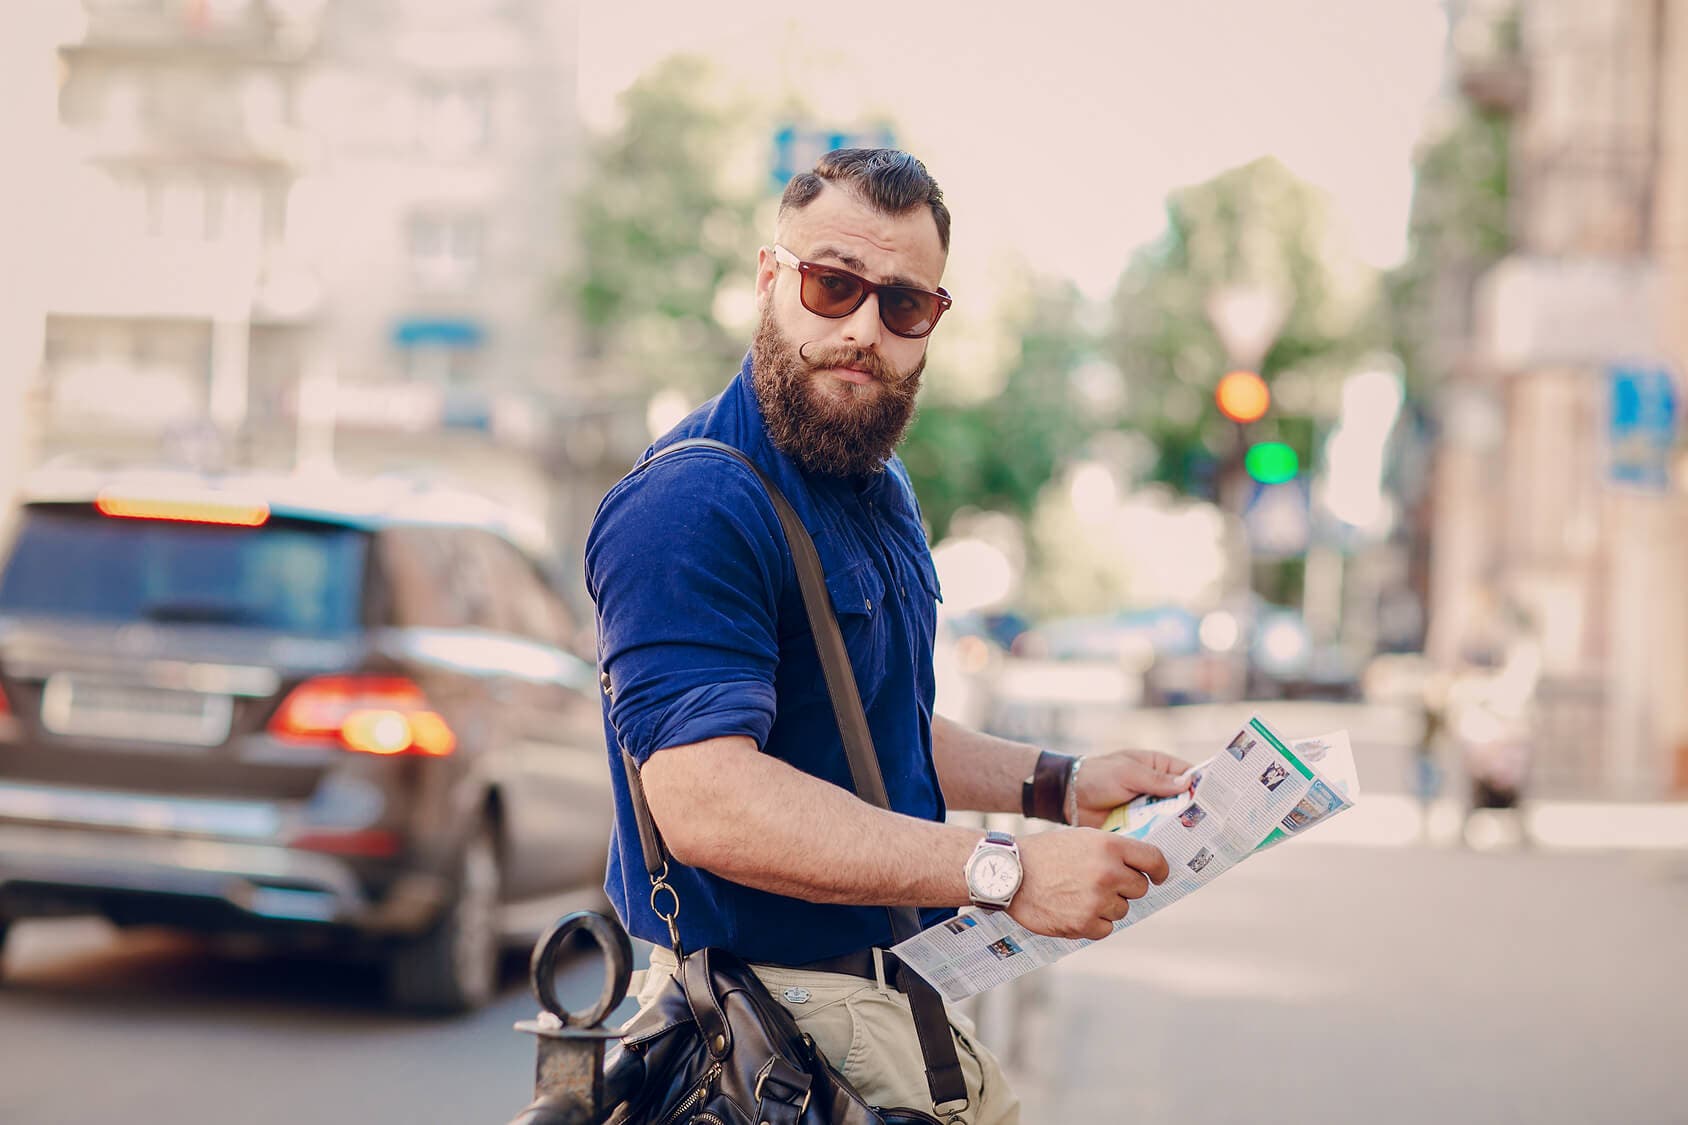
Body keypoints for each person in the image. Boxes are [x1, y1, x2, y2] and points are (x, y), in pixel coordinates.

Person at [586, 148, 1192, 1124]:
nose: (862, 330)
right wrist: (1006, 871)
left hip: (886, 1005)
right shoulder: (692, 498)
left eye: (902, 305)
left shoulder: (875, 482)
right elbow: (706, 797)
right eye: (832, 286)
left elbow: (873, 721)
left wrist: (1062, 786)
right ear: (768, 280)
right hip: (758, 1044)